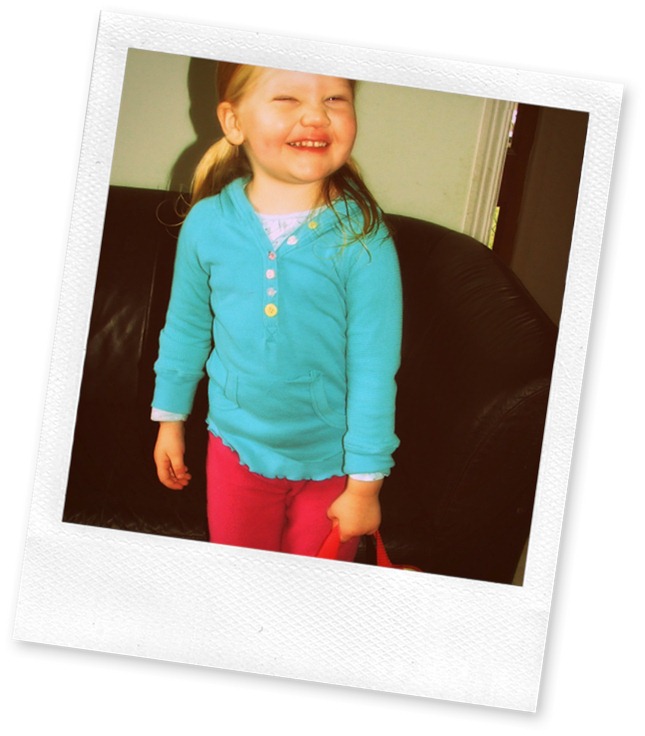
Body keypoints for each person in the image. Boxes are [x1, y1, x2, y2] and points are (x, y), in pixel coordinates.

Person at [151, 62, 402, 562]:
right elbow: (185, 328)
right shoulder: (206, 224)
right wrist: (170, 419)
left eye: (335, 99)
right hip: (234, 450)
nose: (316, 116)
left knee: (309, 598)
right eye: (288, 98)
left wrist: (366, 485)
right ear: (234, 122)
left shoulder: (363, 236)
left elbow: (375, 368)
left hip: (334, 463)